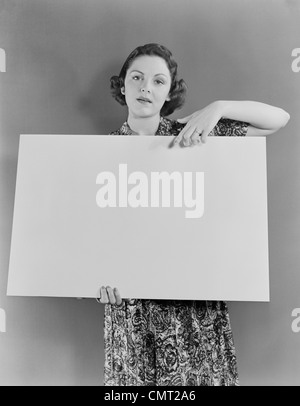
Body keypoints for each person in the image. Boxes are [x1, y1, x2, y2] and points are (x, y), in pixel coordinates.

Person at [98, 43, 290, 386]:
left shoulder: (194, 135)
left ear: (169, 91)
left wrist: (219, 108)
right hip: (132, 313)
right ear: (122, 85)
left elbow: (279, 120)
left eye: (158, 81)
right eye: (137, 78)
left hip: (194, 311)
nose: (146, 87)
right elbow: (91, 236)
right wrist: (92, 280)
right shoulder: (98, 154)